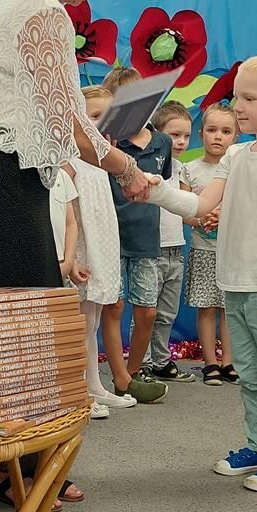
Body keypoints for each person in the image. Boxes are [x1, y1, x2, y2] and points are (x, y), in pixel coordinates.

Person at [0, 0, 152, 506]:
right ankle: (22, 474)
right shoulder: (43, 10)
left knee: (0, 337)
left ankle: (7, 470)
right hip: (7, 189)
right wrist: (127, 166)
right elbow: (70, 122)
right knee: (23, 337)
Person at [150, 54, 257, 493]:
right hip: (235, 285)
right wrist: (155, 191)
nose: (237, 106)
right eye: (236, 96)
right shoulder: (237, 155)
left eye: (248, 98)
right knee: (252, 376)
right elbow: (201, 204)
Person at [73, 86, 143, 413]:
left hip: (102, 240)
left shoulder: (105, 163)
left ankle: (94, 385)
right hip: (83, 244)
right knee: (81, 319)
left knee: (95, 316)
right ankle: (77, 390)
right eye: (95, 117)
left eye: (109, 117)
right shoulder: (73, 159)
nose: (103, 125)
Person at [100, 95, 171, 404]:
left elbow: (161, 185)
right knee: (113, 306)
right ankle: (121, 378)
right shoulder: (106, 142)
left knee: (148, 311)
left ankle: (132, 373)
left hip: (146, 238)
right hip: (111, 236)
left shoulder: (163, 142)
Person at [183, 104, 240, 385]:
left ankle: (229, 360)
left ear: (236, 137)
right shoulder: (190, 170)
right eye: (212, 130)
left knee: (230, 307)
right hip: (204, 249)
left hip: (233, 251)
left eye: (226, 131)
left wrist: (225, 218)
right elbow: (184, 210)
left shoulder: (239, 170)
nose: (218, 136)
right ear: (201, 133)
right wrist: (201, 218)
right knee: (206, 307)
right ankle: (210, 362)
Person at [142, 101, 195, 383]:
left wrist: (206, 218)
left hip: (176, 251)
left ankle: (161, 361)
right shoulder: (147, 167)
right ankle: (142, 362)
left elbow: (187, 210)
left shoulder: (182, 170)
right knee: (146, 311)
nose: (182, 142)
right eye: (175, 135)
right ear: (158, 135)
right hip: (151, 250)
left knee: (166, 313)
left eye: (186, 136)